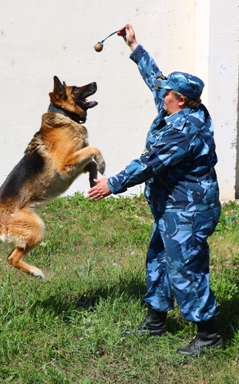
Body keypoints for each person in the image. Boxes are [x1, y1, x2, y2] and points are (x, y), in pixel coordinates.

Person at [88, 23, 223, 356]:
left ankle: (209, 335)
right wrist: (133, 46)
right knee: (160, 260)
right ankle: (155, 322)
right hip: (171, 207)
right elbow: (156, 79)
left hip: (189, 210)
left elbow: (151, 163)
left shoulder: (186, 129)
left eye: (168, 94)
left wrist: (112, 184)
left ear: (181, 101)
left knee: (186, 268)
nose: (161, 95)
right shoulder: (177, 105)